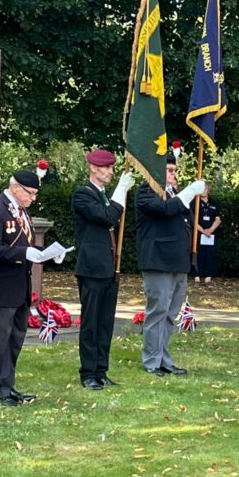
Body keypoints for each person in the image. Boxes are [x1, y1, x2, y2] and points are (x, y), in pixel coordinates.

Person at [0, 170, 61, 406]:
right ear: (16, 188)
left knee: (15, 339)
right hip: (2, 287)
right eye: (31, 193)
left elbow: (27, 245)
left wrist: (47, 256)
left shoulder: (22, 212)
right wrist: (23, 253)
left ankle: (8, 385)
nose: (33, 198)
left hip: (21, 287)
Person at [72, 149, 135, 390]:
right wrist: (121, 190)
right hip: (91, 268)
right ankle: (88, 372)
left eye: (111, 168)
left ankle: (101, 369)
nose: (110, 171)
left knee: (105, 323)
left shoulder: (103, 195)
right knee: (90, 323)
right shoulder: (83, 195)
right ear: (94, 168)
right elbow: (107, 218)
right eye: (106, 168)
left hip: (108, 267)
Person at [135, 159, 205, 376]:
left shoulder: (174, 194)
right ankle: (152, 361)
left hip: (177, 261)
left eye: (175, 170)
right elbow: (165, 210)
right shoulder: (145, 191)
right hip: (158, 261)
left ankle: (163, 357)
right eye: (169, 170)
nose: (174, 174)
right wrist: (190, 191)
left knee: (170, 313)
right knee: (158, 311)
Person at [195, 183, 221, 284]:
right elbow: (193, 220)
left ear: (208, 189)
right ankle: (197, 275)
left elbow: (218, 219)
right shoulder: (195, 203)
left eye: (205, 188)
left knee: (210, 254)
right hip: (198, 234)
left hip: (210, 235)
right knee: (198, 253)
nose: (203, 190)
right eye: (201, 189)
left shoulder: (214, 203)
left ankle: (208, 276)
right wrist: (202, 231)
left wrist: (211, 229)